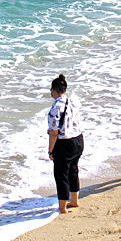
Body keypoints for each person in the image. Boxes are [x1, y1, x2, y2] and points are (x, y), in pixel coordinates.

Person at [46, 73, 83, 214]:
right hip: (78, 140)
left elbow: (54, 132)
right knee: (73, 170)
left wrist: (50, 150)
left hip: (65, 143)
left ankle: (62, 207)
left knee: (61, 174)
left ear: (54, 91)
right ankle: (74, 200)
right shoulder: (73, 102)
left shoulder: (55, 107)